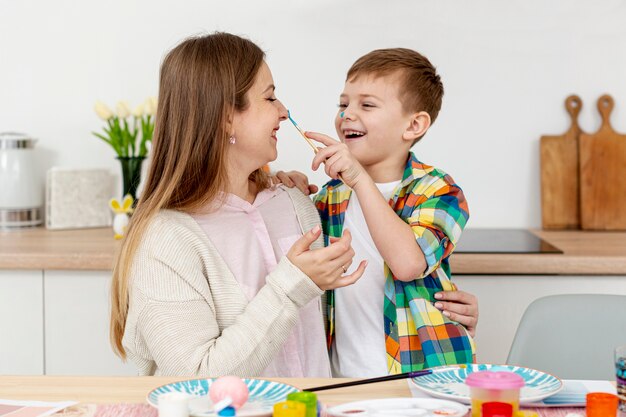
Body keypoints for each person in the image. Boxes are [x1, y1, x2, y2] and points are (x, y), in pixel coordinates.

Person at [109, 32, 367, 377]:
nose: (283, 111)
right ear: (226, 117)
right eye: (270, 98)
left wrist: (443, 306)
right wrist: (292, 285)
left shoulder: (296, 206)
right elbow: (197, 377)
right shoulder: (166, 239)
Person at [306, 48, 476, 376]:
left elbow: (408, 263)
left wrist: (359, 180)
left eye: (367, 105)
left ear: (414, 125)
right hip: (343, 382)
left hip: (423, 379)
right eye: (343, 104)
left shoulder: (439, 190)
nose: (346, 115)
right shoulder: (328, 198)